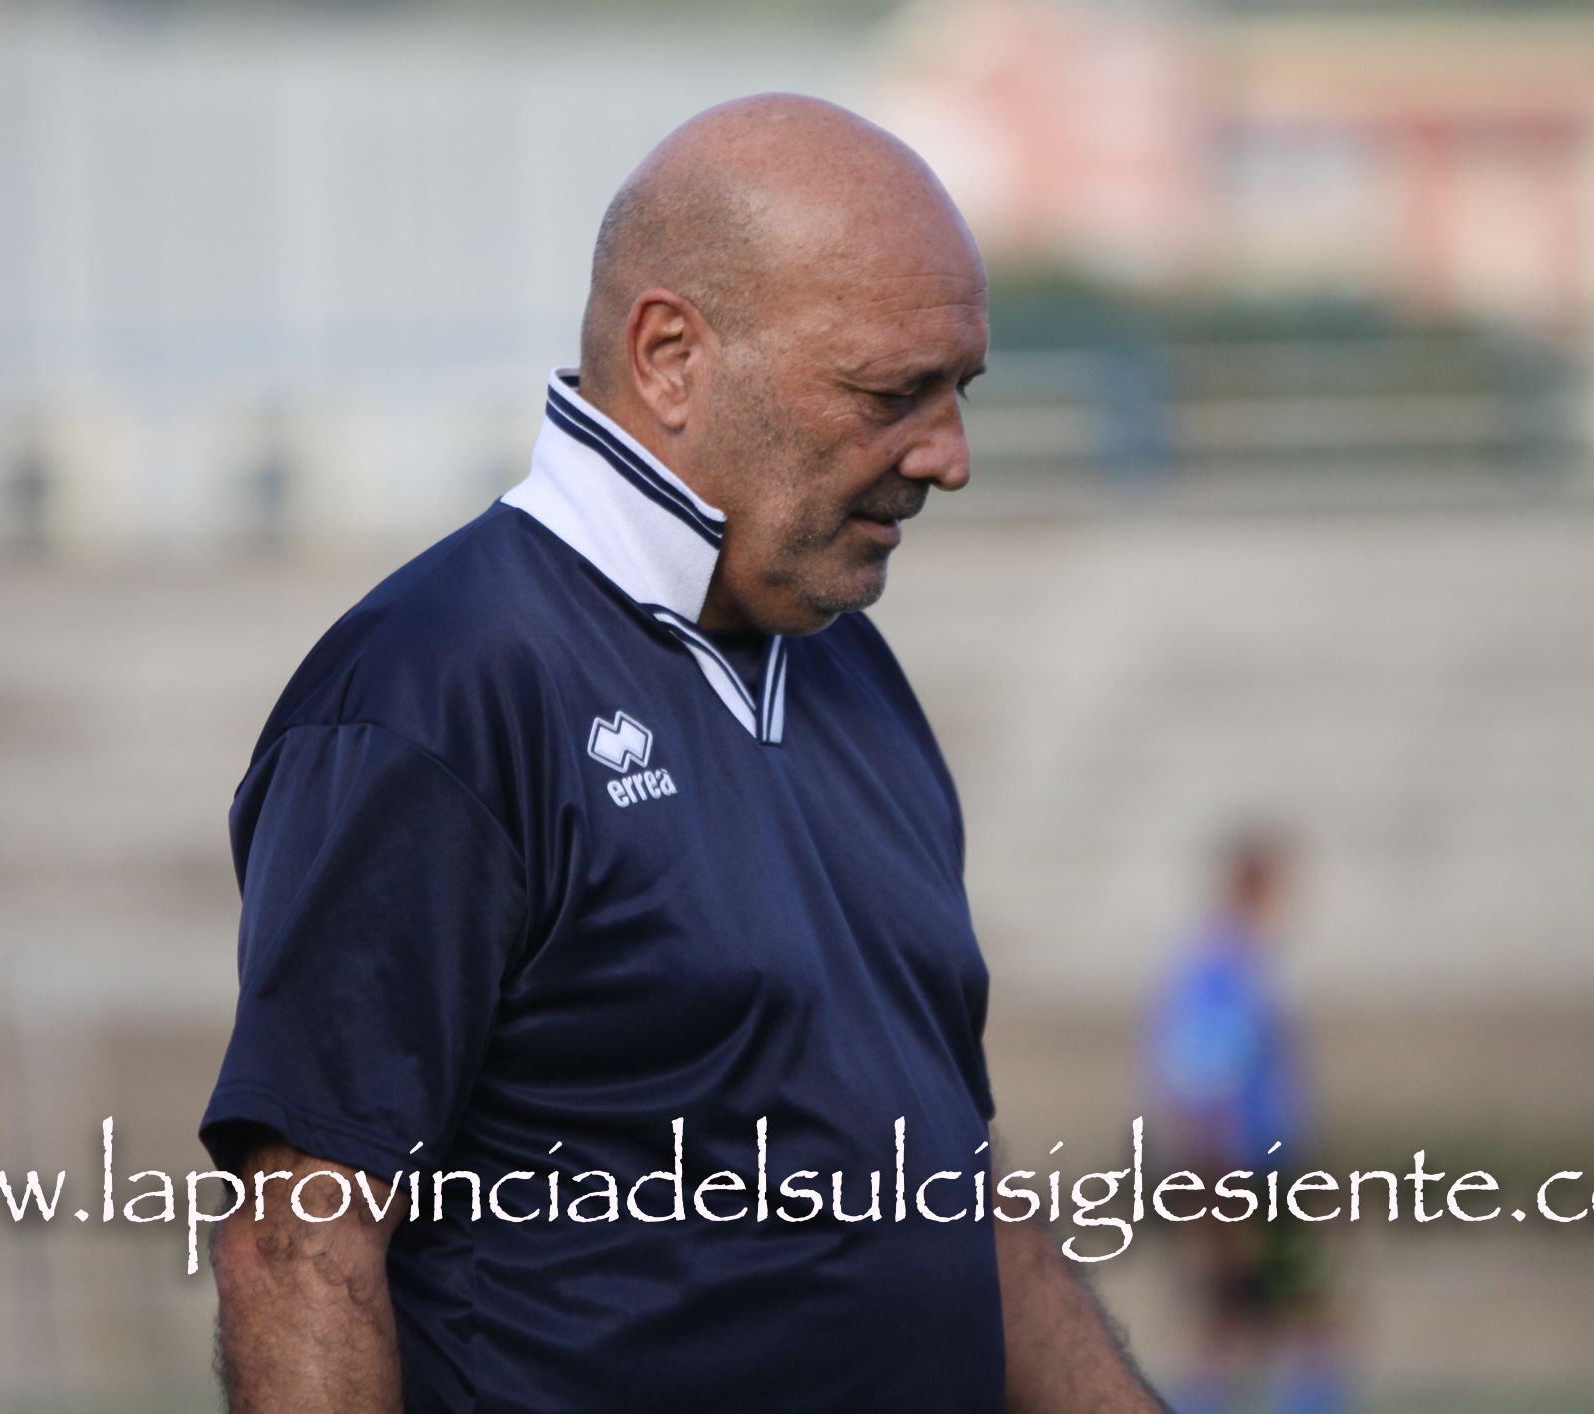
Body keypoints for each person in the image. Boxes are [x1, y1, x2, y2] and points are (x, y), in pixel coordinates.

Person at [200, 94, 1170, 1414]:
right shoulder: (441, 685)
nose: (948, 457)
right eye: (894, 392)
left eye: (960, 391)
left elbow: (954, 1194)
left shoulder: (851, 669)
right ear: (669, 357)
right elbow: (299, 1246)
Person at [1146, 828, 1348, 1414]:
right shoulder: (1223, 968)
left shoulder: (1232, 963)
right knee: (1290, 1314)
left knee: (1235, 1317)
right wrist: (1216, 1191)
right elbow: (1202, 1083)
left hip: (1254, 1167)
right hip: (1244, 1172)